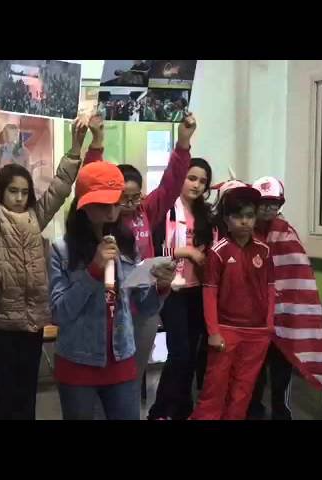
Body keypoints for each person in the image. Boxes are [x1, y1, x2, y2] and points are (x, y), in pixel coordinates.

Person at [0, 107, 87, 420]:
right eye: (13, 191)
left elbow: (60, 187)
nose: (19, 197)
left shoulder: (36, 218)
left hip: (33, 323)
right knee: (4, 398)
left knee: (27, 396)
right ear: (2, 191)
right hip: (2, 325)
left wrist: (76, 147)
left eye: (25, 192)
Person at [50, 160, 175, 420]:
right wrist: (93, 272)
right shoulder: (62, 249)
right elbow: (59, 313)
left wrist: (161, 287)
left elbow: (145, 306)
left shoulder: (127, 243)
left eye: (116, 204)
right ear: (83, 204)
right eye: (102, 205)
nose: (110, 212)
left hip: (122, 357)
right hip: (77, 361)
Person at [84, 113, 197, 400]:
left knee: (133, 378)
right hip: (111, 311)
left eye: (136, 197)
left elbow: (171, 185)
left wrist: (183, 143)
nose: (131, 204)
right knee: (105, 379)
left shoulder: (146, 211)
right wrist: (97, 142)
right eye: (124, 198)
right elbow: (90, 178)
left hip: (145, 309)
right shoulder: (104, 220)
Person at [247, 176, 322, 420]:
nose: (268, 208)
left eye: (274, 203)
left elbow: (298, 278)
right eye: (263, 203)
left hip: (284, 319)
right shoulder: (246, 233)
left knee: (281, 372)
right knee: (253, 371)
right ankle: (253, 410)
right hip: (254, 319)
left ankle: (281, 413)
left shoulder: (287, 235)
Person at [189, 182, 275, 420]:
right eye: (238, 216)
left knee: (243, 389)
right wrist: (213, 332)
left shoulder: (264, 250)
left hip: (257, 332)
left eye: (250, 216)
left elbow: (270, 288)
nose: (245, 222)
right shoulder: (218, 252)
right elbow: (209, 293)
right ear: (226, 220)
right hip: (226, 330)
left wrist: (268, 325)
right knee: (214, 387)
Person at [148, 158, 214, 420]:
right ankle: (159, 411)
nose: (197, 185)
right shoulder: (165, 209)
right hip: (171, 288)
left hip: (198, 290)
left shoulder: (205, 214)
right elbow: (152, 251)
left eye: (203, 181)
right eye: (191, 178)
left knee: (191, 354)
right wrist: (184, 251)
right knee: (180, 353)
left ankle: (183, 409)